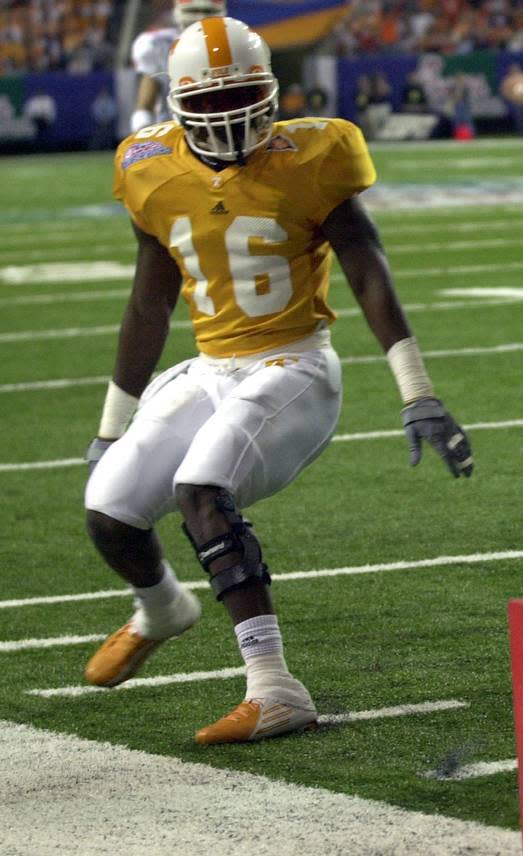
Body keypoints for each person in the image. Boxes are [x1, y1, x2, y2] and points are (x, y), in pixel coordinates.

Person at [83, 17, 473, 746]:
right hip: (212, 367)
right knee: (107, 509)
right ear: (174, 103)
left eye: (242, 95)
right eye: (207, 103)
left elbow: (367, 270)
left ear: (271, 92)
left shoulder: (313, 153)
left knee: (200, 488)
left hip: (294, 365)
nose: (227, 117)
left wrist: (416, 390)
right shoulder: (148, 167)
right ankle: (163, 608)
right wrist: (112, 423)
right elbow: (149, 300)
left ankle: (274, 687)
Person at [129, 0, 226, 133]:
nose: (200, 17)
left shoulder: (235, 44)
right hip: (174, 132)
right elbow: (145, 105)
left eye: (208, 11)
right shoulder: (159, 45)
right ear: (177, 12)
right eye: (192, 11)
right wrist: (142, 131)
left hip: (224, 128)